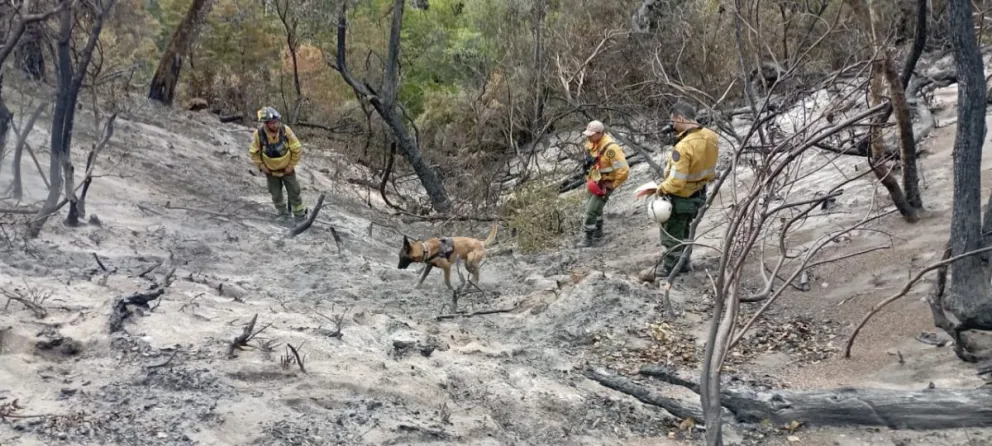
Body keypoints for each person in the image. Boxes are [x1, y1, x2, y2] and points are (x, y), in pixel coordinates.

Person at [655, 102, 719, 277]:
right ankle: (685, 263)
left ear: (680, 118)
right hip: (699, 194)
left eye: (673, 121)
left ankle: (670, 267)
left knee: (672, 233)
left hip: (681, 197)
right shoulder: (711, 136)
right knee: (687, 230)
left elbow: (676, 182)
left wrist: (660, 189)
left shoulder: (684, 147)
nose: (672, 126)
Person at [577, 120, 630, 248]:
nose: (588, 137)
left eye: (591, 134)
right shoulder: (591, 143)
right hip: (593, 181)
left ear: (600, 133)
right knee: (594, 207)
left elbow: (623, 171)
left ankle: (588, 238)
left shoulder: (612, 149)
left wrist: (613, 184)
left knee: (591, 210)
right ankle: (598, 232)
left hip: (606, 183)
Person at [249, 106, 306, 223]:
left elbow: (297, 149)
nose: (275, 125)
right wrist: (262, 167)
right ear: (266, 123)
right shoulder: (258, 135)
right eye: (272, 123)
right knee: (275, 194)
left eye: (276, 122)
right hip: (270, 171)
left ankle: (300, 216)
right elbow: (254, 153)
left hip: (287, 170)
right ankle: (283, 214)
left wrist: (290, 166)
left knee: (294, 191)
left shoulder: (286, 131)